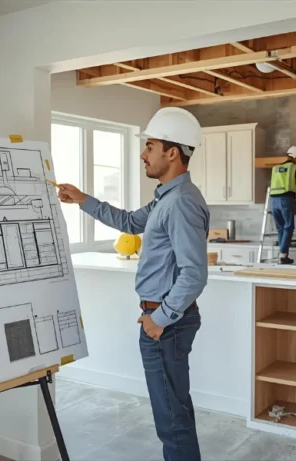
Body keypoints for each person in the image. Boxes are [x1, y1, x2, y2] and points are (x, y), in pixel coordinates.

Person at [57, 107, 209, 461]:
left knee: (172, 421)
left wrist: (160, 319)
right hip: (162, 321)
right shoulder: (165, 197)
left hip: (166, 324)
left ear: (173, 153)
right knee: (173, 415)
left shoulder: (182, 203)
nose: (143, 154)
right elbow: (128, 221)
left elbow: (194, 274)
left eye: (150, 146)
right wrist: (83, 200)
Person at [269, 146, 296, 264]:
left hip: (273, 201)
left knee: (281, 228)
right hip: (286, 199)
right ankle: (282, 255)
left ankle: (282, 255)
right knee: (288, 227)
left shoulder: (275, 168)